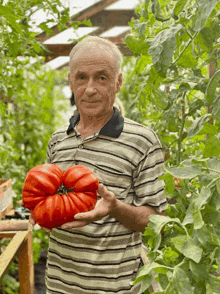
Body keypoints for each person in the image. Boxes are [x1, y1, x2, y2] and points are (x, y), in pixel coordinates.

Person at [30, 36, 167, 294]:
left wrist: (114, 208)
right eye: (81, 78)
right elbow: (50, 200)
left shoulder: (142, 140)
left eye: (101, 77)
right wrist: (39, 209)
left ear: (118, 83)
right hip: (59, 286)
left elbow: (157, 221)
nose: (90, 89)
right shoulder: (58, 140)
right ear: (71, 81)